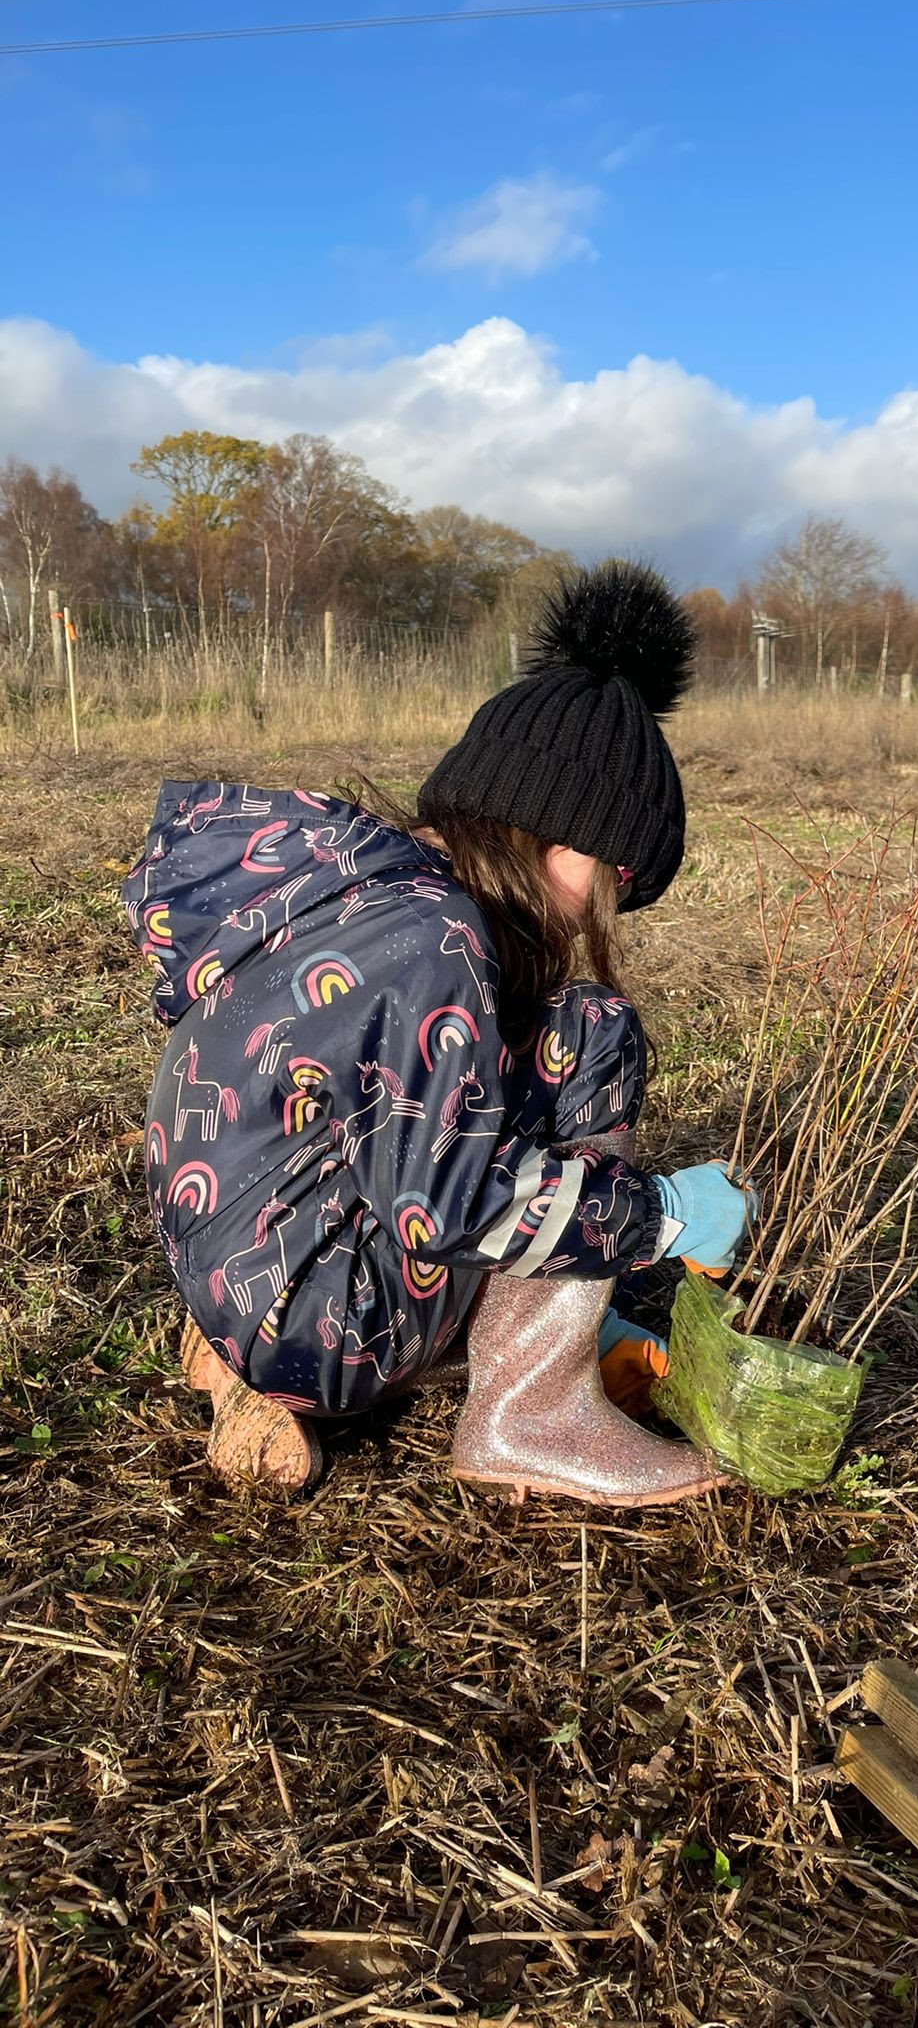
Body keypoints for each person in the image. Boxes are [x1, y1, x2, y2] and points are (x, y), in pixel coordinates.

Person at [122, 561, 754, 1504]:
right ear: (560, 832)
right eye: (615, 877)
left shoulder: (368, 892)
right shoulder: (436, 940)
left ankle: (265, 1359)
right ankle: (530, 1416)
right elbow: (446, 1207)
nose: (598, 912)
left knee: (551, 1028)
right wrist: (656, 1216)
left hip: (243, 1263)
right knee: (590, 1032)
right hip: (317, 1319)